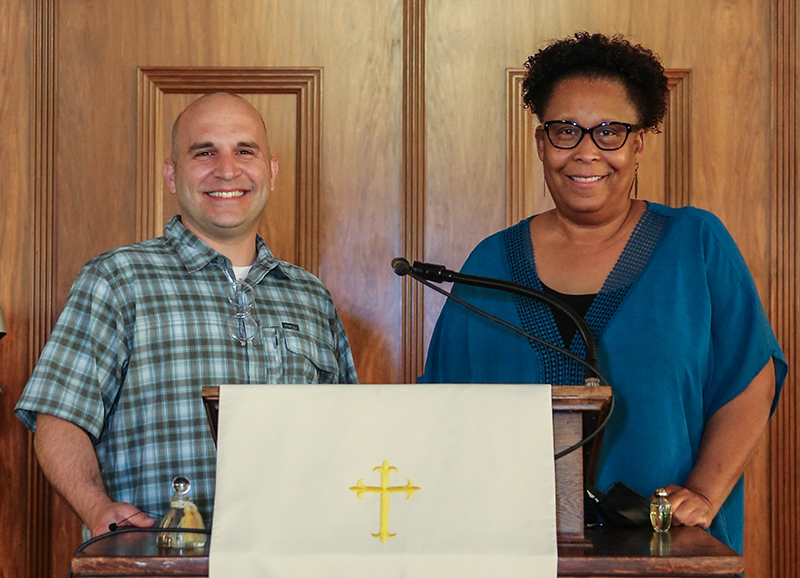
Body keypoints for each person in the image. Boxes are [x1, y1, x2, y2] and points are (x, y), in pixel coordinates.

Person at [420, 32, 786, 554]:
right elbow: (444, 406)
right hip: (513, 552)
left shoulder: (696, 244)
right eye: (565, 130)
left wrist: (705, 491)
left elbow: (750, 376)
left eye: (610, 132)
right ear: (541, 143)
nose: (587, 151)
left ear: (638, 144)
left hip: (666, 551)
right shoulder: (490, 262)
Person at [15, 93, 358, 538]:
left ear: (271, 171)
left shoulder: (311, 296)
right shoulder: (118, 279)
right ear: (172, 175)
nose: (227, 169)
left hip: (288, 557)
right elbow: (58, 417)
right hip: (156, 561)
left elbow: (349, 433)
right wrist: (96, 507)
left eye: (244, 150)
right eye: (205, 152)